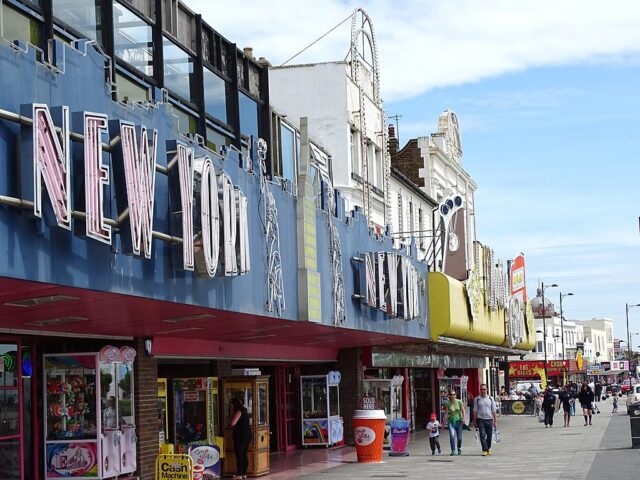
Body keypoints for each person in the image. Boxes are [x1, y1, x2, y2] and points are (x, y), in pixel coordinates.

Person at [472, 384, 498, 457]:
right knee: (482, 435)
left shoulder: (491, 398)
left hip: (489, 419)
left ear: (487, 390)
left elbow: (494, 410)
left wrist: (495, 421)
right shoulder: (477, 399)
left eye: (484, 389)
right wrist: (474, 421)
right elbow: (475, 411)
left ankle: (488, 448)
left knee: (489, 436)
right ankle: (485, 449)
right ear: (480, 390)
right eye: (481, 389)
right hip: (480, 419)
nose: (483, 391)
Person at [229, 398, 250, 479]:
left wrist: (231, 415)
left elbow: (232, 423)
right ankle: (244, 473)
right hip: (247, 435)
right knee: (244, 455)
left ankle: (239, 475)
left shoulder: (238, 412)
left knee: (239, 455)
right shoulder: (245, 411)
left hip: (240, 436)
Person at [444, 390, 465, 456]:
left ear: (456, 395)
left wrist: (464, 418)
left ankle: (459, 448)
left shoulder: (459, 402)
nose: (453, 396)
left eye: (454, 394)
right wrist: (444, 422)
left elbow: (463, 410)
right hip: (451, 421)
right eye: (451, 395)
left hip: (458, 421)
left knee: (459, 438)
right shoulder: (447, 403)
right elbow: (446, 413)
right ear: (449, 396)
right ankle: (453, 450)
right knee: (452, 436)